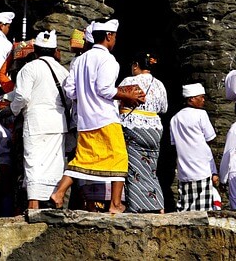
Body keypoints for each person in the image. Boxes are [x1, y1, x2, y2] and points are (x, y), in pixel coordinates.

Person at [50, 19, 138, 213]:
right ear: (108, 36)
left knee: (82, 160)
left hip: (84, 120)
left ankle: (59, 193)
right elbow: (105, 89)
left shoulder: (79, 60)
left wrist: (85, 95)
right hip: (105, 118)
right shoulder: (108, 60)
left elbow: (70, 90)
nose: (115, 40)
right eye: (114, 36)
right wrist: (126, 95)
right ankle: (115, 204)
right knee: (120, 158)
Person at [11, 31, 74, 210]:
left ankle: (34, 205)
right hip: (58, 122)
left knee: (34, 163)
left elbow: (22, 96)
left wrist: (13, 110)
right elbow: (69, 99)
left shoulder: (29, 68)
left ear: (36, 49)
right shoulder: (63, 71)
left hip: (36, 121)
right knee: (55, 164)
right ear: (55, 50)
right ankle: (56, 203)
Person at [117, 52, 168, 213]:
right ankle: (158, 206)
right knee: (152, 169)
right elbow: (164, 108)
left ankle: (137, 206)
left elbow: (118, 102)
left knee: (134, 170)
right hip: (154, 130)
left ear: (136, 65)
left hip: (134, 128)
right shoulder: (159, 84)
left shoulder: (129, 81)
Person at [169, 83, 219, 211]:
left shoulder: (174, 119)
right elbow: (211, 138)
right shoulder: (201, 115)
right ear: (191, 99)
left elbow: (174, 144)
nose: (203, 100)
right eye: (200, 97)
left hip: (184, 170)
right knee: (203, 209)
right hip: (201, 169)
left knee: (185, 207)